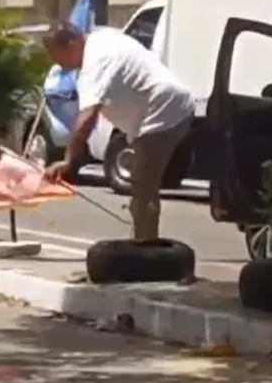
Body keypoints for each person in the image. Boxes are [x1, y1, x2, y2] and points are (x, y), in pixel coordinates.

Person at [43, 20, 195, 240]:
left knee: (143, 183)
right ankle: (143, 240)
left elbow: (87, 118)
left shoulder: (96, 61)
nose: (57, 64)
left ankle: (146, 249)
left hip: (165, 110)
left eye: (57, 57)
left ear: (72, 44)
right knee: (142, 183)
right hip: (158, 112)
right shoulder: (101, 39)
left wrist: (68, 160)